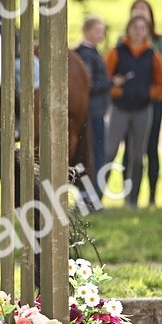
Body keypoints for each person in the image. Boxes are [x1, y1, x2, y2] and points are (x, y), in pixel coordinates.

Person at [104, 15, 162, 208]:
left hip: (143, 110)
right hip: (120, 109)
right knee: (109, 151)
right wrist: (117, 90)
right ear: (128, 29)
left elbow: (161, 82)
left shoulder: (153, 55)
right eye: (135, 27)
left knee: (138, 156)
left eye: (143, 28)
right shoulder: (116, 52)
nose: (139, 31)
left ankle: (132, 201)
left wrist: (150, 94)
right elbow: (106, 77)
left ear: (147, 31)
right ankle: (94, 198)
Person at [123, 0, 162, 206]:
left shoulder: (159, 43)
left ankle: (151, 195)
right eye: (136, 11)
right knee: (129, 150)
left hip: (150, 103)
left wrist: (150, 93)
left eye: (144, 11)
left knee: (151, 147)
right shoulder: (122, 43)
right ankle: (129, 196)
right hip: (127, 103)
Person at [74, 14, 112, 200]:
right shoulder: (86, 54)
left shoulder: (91, 53)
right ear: (86, 31)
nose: (100, 35)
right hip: (92, 111)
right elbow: (88, 84)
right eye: (97, 31)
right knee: (94, 153)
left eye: (102, 31)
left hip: (95, 110)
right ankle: (91, 196)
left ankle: (90, 195)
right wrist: (111, 83)